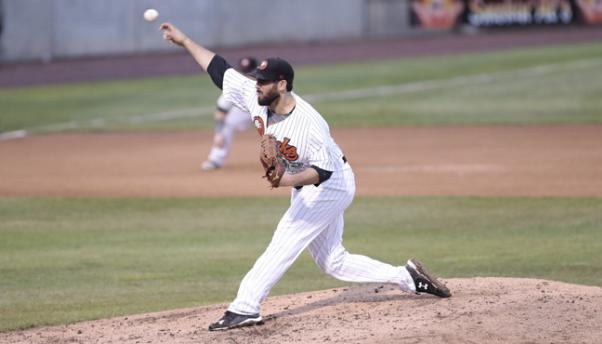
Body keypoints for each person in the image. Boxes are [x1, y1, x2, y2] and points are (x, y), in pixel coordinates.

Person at [160, 22, 451, 331]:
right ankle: (407, 277)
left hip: (330, 185)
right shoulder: (257, 97)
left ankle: (244, 307)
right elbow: (220, 70)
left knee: (284, 241)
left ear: (282, 84)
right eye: (257, 81)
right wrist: (185, 41)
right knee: (332, 262)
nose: (256, 85)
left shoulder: (309, 124)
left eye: (264, 82)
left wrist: (281, 180)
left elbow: (323, 172)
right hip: (307, 184)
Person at [201, 57, 258, 171]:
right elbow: (221, 112)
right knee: (228, 123)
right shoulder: (236, 87)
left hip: (268, 110)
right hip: (246, 112)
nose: (247, 74)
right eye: (245, 71)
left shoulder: (268, 81)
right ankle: (216, 159)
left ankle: (290, 158)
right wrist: (218, 134)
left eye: (250, 71)